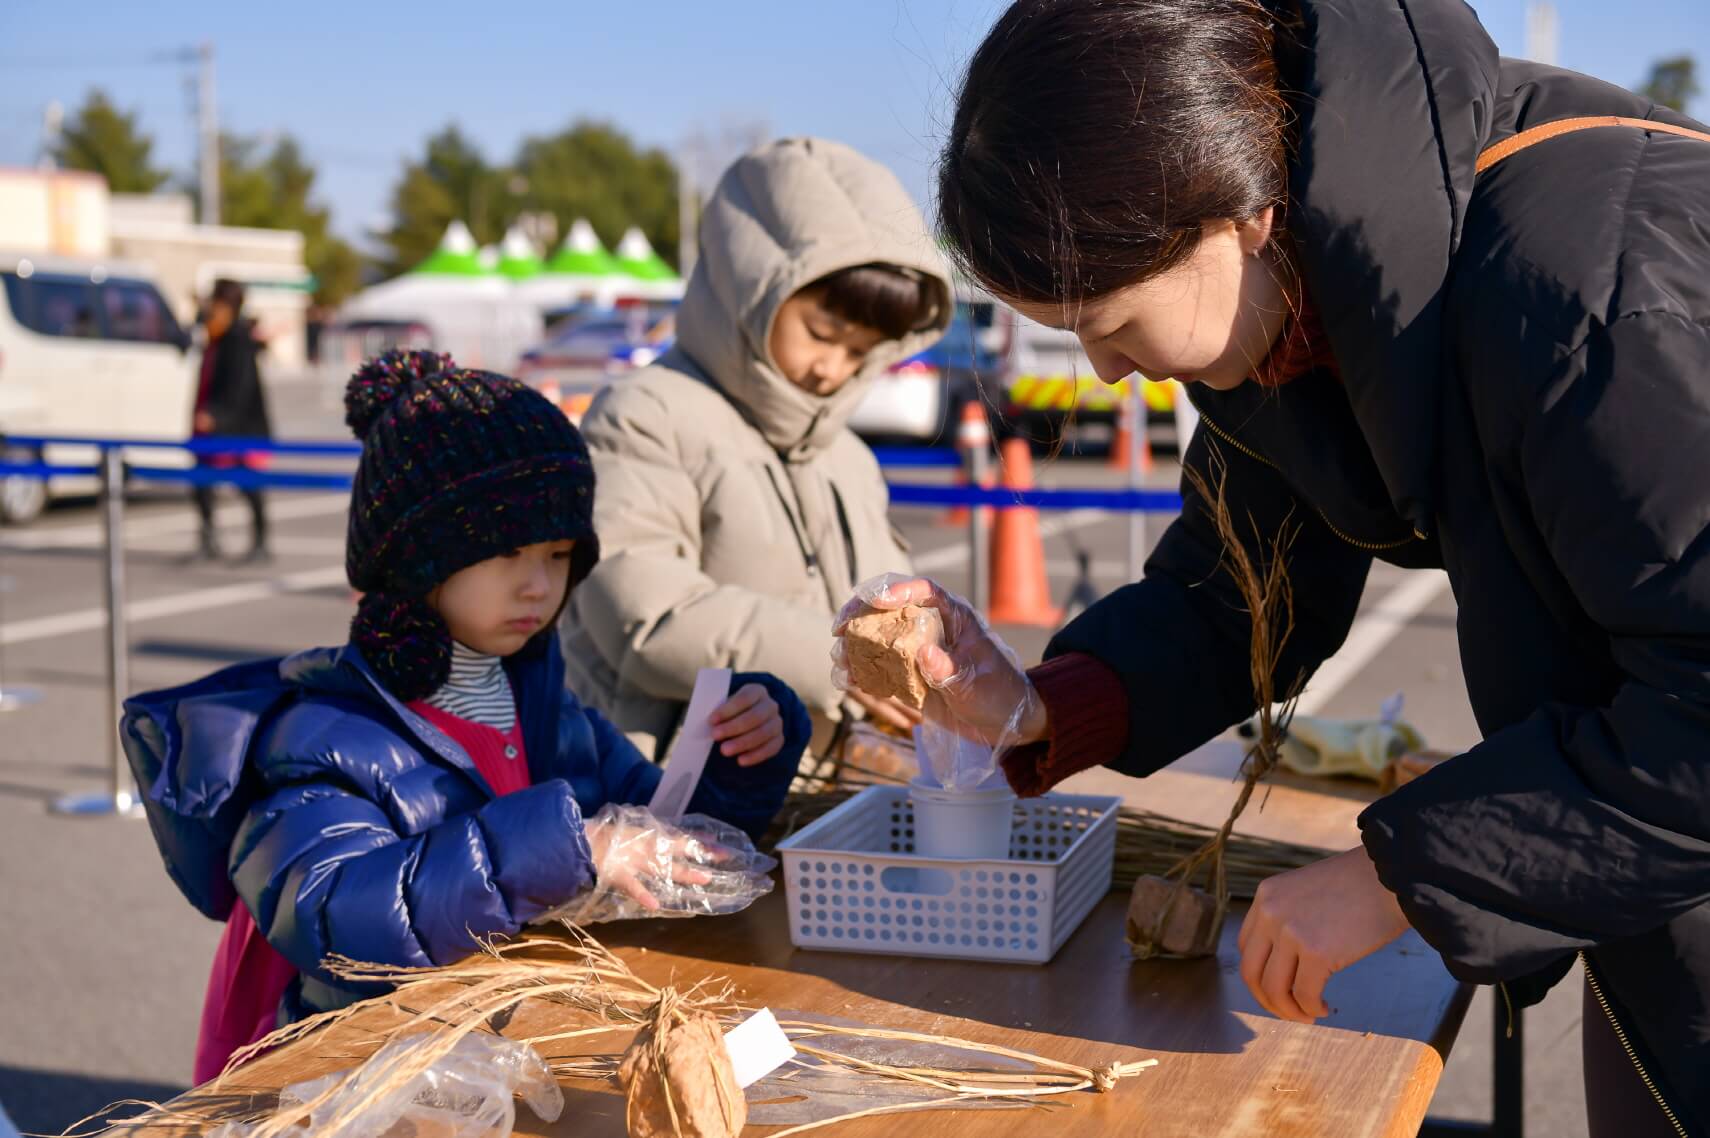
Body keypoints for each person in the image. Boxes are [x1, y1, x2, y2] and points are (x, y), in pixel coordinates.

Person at [850, 1, 1710, 1133]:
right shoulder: (1309, 299)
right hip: (1650, 884)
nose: (1106, 373)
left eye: (1107, 322)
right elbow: (1237, 585)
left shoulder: (1594, 297)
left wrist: (1400, 873)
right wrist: (1034, 707)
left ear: (1240, 215)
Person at [122, 350, 811, 1083]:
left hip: (510, 1052)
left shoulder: (548, 709)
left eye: (559, 552)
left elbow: (664, 833)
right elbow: (329, 914)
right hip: (366, 1074)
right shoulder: (324, 734)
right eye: (507, 551)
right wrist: (563, 846)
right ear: (420, 556)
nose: (539, 584)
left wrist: (743, 752)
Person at [560, 138, 953, 764]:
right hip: (678, 799)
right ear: (746, 293)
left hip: (824, 792)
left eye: (860, 352)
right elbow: (648, 616)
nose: (833, 368)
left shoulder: (843, 452)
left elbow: (885, 595)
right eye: (821, 334)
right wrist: (846, 660)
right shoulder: (644, 414)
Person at [188, 278, 272, 564]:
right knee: (201, 483)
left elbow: (241, 386)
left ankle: (261, 541)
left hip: (237, 427)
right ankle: (208, 538)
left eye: (216, 302)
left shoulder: (237, 338)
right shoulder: (216, 335)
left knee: (248, 485)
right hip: (212, 425)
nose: (211, 307)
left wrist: (217, 416)